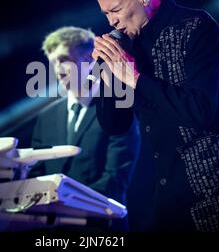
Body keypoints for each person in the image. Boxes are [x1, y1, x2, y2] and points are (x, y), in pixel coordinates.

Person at [92, 0, 219, 232]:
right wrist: (109, 74)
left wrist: (134, 77)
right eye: (106, 14)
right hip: (167, 188)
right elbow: (114, 124)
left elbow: (201, 111)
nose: (112, 21)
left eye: (116, 10)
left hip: (218, 186)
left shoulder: (196, 26)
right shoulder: (129, 43)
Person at [29, 26, 140, 230]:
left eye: (64, 60)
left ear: (89, 60)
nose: (57, 69)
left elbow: (115, 180)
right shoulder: (46, 118)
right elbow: (35, 175)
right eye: (53, 62)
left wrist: (63, 205)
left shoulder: (118, 110)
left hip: (102, 229)